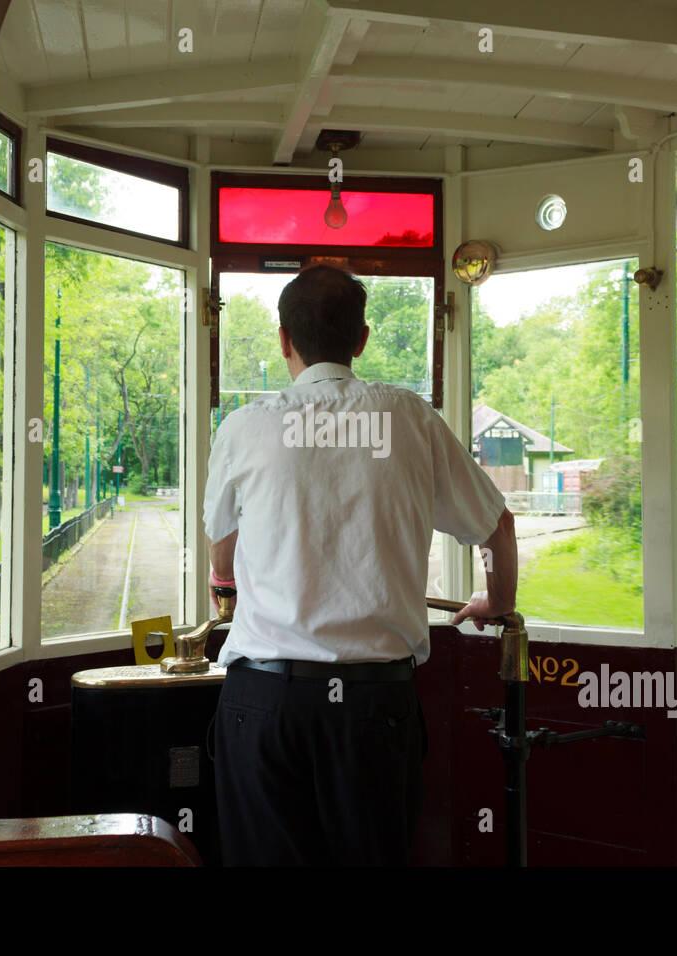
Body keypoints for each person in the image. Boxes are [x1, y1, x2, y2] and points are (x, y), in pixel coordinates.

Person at [203, 264, 518, 866]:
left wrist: (228, 589)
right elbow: (497, 526)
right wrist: (496, 605)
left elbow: (223, 545)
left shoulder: (245, 427)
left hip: (266, 704)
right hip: (375, 711)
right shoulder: (411, 418)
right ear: (362, 338)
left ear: (283, 340)